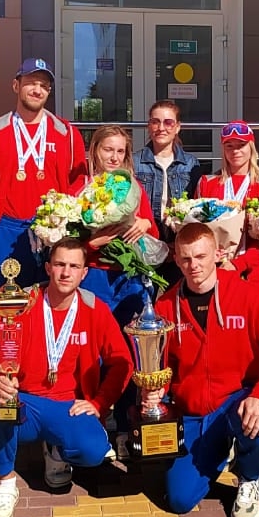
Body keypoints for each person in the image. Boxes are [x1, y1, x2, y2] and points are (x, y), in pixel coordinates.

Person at [143, 223, 259, 517]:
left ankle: (249, 476)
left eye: (201, 256)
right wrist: (156, 389)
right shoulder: (165, 305)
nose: (194, 266)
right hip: (193, 411)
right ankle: (218, 450)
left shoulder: (248, 296)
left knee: (258, 421)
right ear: (176, 260)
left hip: (237, 401)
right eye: (186, 259)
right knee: (179, 499)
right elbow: (161, 364)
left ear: (218, 254)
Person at [0, 238, 133, 517]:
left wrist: (99, 403)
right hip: (26, 403)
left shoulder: (95, 308)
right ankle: (6, 484)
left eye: (74, 266)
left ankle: (57, 449)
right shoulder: (20, 302)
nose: (65, 272)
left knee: (93, 452)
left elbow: (123, 362)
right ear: (48, 267)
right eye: (60, 264)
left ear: (84, 273)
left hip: (69, 406)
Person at [79, 124, 161, 458]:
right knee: (93, 353)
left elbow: (153, 233)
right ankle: (96, 420)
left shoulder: (133, 187)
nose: (113, 157)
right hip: (95, 277)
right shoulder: (82, 189)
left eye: (120, 151)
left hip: (128, 278)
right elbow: (67, 241)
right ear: (95, 151)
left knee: (128, 352)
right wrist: (93, 243)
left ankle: (126, 426)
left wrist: (144, 223)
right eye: (107, 150)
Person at [0, 58, 86, 290]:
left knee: (54, 300)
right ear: (16, 85)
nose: (37, 90)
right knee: (8, 302)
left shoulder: (67, 133)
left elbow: (79, 180)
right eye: (31, 83)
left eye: (44, 85)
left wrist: (61, 216)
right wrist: (0, 213)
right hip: (8, 228)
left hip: (55, 231)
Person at [194, 121, 259, 291]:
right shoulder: (207, 183)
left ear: (251, 147)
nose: (235, 151)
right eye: (229, 146)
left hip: (253, 274)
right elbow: (197, 231)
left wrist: (239, 264)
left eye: (241, 145)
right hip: (215, 271)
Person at [132, 99, 202, 288]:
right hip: (146, 243)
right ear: (149, 126)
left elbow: (196, 208)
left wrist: (177, 244)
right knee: (144, 300)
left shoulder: (190, 163)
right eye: (155, 122)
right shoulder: (134, 162)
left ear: (177, 127)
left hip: (179, 244)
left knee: (180, 297)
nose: (161, 128)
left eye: (168, 122)